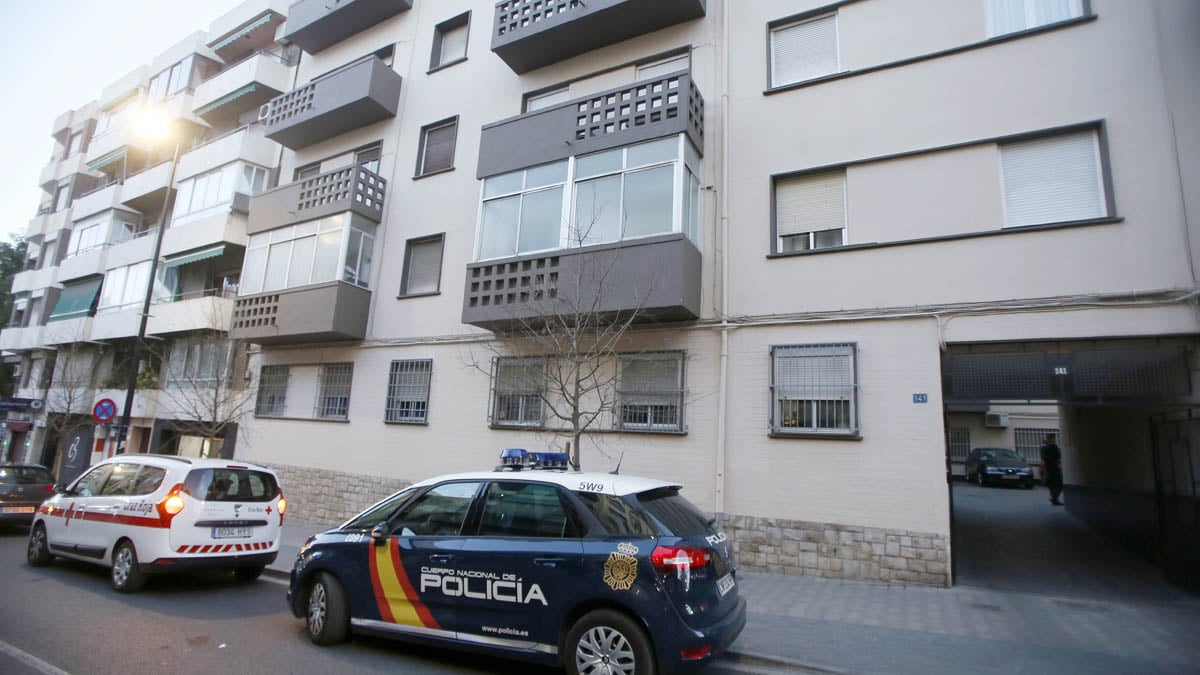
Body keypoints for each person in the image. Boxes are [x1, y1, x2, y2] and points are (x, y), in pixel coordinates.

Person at [1039, 433, 1064, 506]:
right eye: (1053, 438)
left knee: (1052, 484)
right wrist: (1059, 466)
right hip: (1054, 467)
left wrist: (1044, 469)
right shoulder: (1054, 447)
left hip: (1048, 468)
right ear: (1052, 438)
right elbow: (1058, 457)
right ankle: (1055, 498)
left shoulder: (1044, 447)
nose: (1054, 439)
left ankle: (1053, 498)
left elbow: (1043, 458)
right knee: (1058, 483)